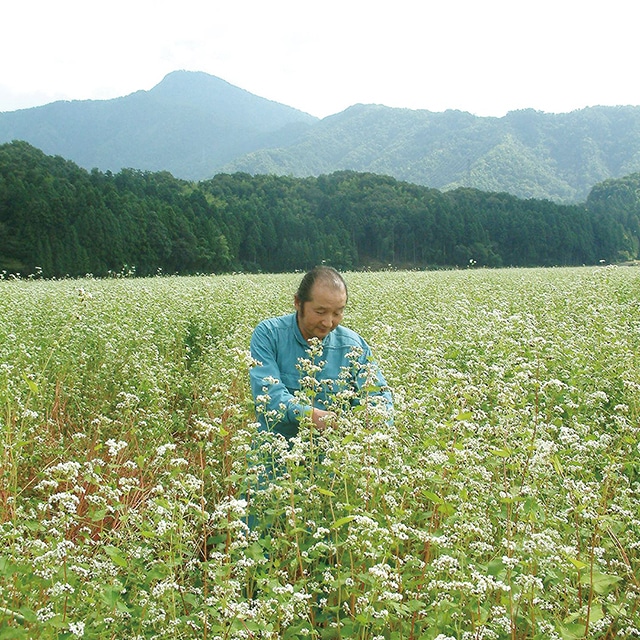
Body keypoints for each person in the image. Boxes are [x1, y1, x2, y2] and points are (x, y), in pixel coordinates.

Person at [249, 266, 393, 440]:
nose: (328, 322)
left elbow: (378, 398)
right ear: (298, 303)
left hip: (336, 458)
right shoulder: (269, 335)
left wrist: (374, 425)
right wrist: (311, 415)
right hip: (276, 457)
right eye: (320, 312)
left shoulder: (353, 346)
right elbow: (269, 395)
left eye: (337, 313)